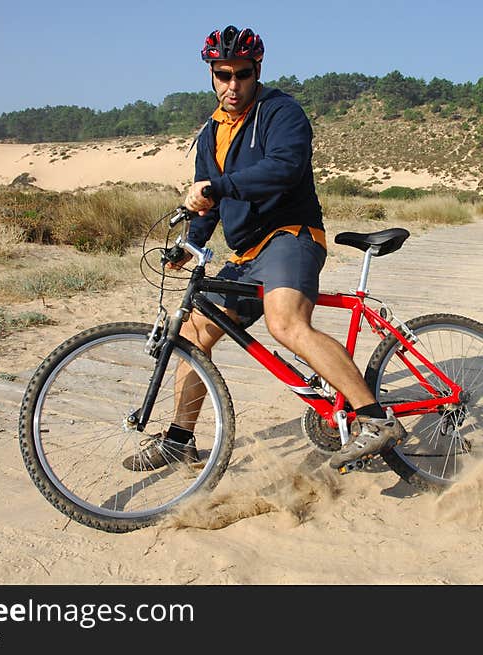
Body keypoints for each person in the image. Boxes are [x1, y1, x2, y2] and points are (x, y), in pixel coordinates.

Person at [123, 25, 405, 473]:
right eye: (222, 74)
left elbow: (284, 169)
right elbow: (209, 206)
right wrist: (190, 244)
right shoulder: (210, 133)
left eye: (242, 74)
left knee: (286, 324)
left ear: (257, 71)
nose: (232, 85)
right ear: (211, 74)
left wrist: (217, 187)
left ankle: (375, 419)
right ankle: (179, 440)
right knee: (193, 336)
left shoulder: (281, 113)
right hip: (246, 254)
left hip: (291, 235)